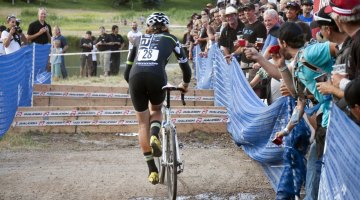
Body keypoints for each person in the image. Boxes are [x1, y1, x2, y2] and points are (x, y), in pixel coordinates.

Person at [124, 12, 192, 185]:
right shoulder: (172, 39)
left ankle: (152, 171)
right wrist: (184, 84)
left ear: (148, 27)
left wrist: (135, 87)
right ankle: (155, 134)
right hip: (156, 76)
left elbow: (126, 72)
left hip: (135, 78)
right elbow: (186, 68)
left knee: (141, 124)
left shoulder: (138, 39)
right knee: (156, 110)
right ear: (166, 27)